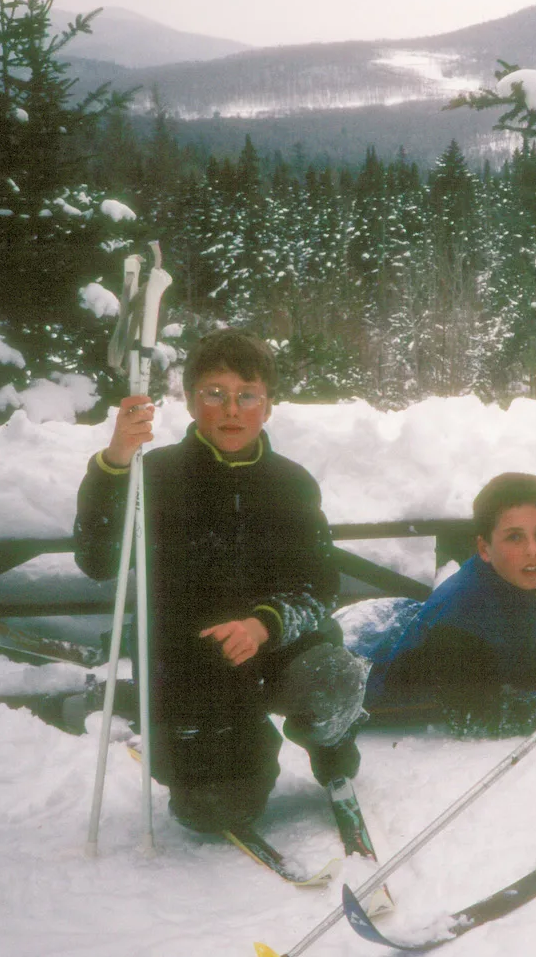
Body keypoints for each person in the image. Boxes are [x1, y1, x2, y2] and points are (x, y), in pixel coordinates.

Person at [73, 328, 370, 839]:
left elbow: (319, 586)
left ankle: (329, 748)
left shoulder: (291, 483)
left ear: (267, 406)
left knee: (332, 676)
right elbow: (98, 561)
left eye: (247, 395)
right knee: (211, 813)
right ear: (190, 400)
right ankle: (239, 750)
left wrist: (263, 626)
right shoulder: (153, 474)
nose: (231, 409)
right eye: (215, 394)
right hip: (194, 664)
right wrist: (117, 459)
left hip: (277, 647)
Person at [346, 472, 536, 735]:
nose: (532, 551)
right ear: (484, 548)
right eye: (514, 537)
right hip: (368, 664)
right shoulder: (459, 620)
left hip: (419, 625)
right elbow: (476, 714)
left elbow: (531, 661)